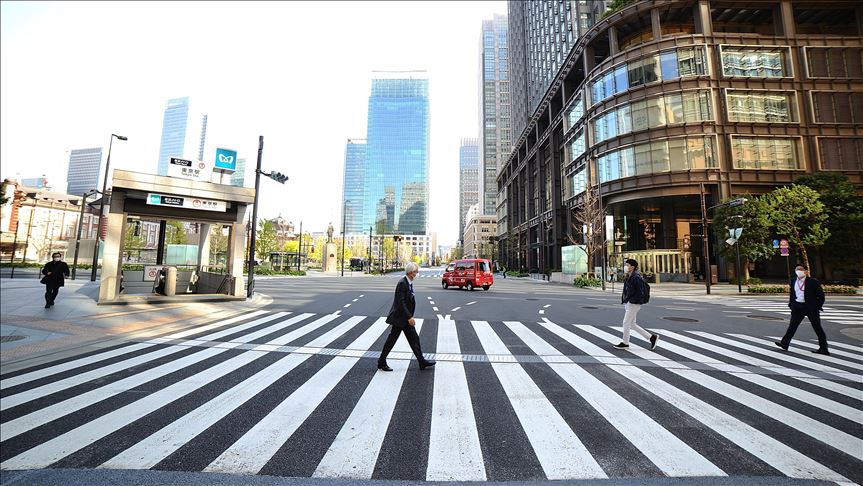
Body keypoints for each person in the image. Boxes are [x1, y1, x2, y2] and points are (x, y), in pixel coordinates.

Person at [378, 262, 436, 371]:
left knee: (414, 339)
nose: (416, 274)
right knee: (392, 340)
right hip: (400, 318)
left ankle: (421, 361)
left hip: (404, 319)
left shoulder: (408, 283)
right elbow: (401, 302)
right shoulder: (402, 283)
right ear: (410, 272)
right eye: (415, 272)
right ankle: (381, 362)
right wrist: (409, 317)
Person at [775, 264, 829, 355]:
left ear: (806, 271)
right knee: (792, 326)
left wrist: (817, 307)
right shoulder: (793, 280)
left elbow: (821, 296)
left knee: (817, 327)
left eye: (800, 269)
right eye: (797, 269)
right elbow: (792, 293)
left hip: (810, 308)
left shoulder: (813, 282)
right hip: (797, 307)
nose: (798, 271)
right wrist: (791, 304)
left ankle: (824, 348)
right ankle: (785, 343)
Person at [613, 258, 659, 350]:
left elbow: (640, 292)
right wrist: (626, 300)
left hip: (634, 303)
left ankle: (625, 343)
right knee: (632, 324)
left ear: (632, 267)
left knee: (626, 322)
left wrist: (632, 300)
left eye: (627, 265)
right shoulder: (629, 276)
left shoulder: (636, 277)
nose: (625, 267)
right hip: (629, 302)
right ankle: (651, 337)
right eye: (626, 265)